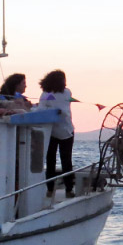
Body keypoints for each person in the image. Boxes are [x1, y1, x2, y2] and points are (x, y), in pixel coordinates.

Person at [38, 69, 75, 198]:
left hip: (54, 131)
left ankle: (50, 189)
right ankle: (69, 189)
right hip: (66, 130)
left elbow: (41, 109)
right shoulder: (66, 92)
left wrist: (51, 109)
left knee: (50, 162)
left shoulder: (46, 94)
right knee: (66, 161)